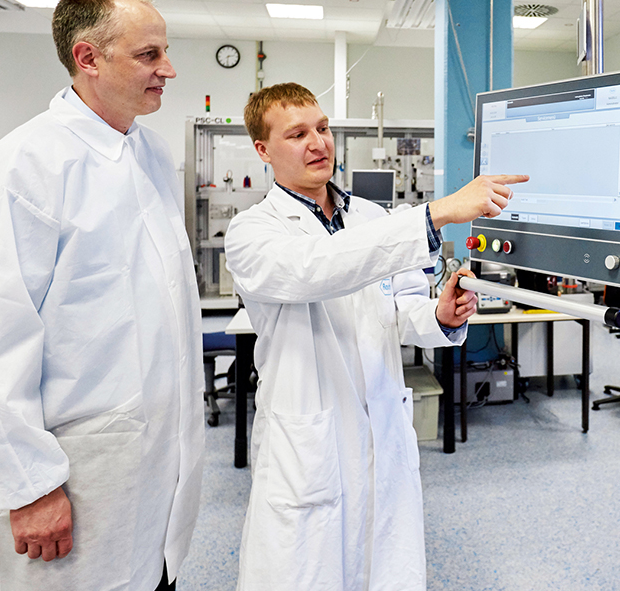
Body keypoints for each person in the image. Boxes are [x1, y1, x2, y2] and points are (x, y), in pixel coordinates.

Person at [0, 0, 202, 591]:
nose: (168, 69)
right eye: (148, 55)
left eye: (163, 52)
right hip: (76, 474)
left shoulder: (149, 155)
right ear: (88, 58)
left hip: (152, 465)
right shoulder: (21, 166)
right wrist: (28, 487)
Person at [225, 83, 527, 590]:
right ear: (263, 150)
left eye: (322, 128)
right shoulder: (253, 232)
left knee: (386, 568)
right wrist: (434, 213)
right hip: (309, 442)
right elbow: (317, 268)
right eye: (297, 134)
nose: (318, 143)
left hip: (381, 429)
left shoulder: (372, 217)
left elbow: (402, 309)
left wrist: (441, 315)